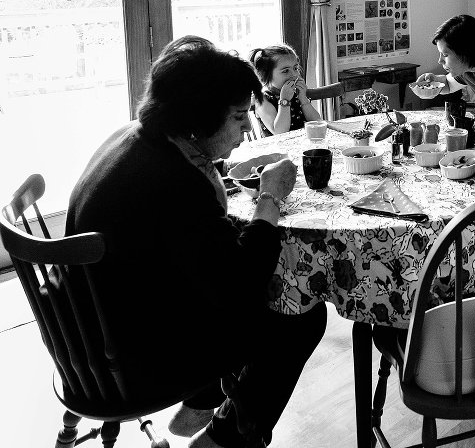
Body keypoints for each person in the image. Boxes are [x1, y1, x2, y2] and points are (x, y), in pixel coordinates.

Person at [65, 36, 327, 448]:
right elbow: (240, 281)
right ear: (199, 117)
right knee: (299, 312)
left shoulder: (135, 138)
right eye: (239, 115)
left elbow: (186, 242)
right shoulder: (178, 184)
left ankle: (202, 401)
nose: (246, 125)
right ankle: (221, 439)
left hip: (82, 328)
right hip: (130, 355)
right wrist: (270, 199)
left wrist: (221, 167)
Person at [249, 44, 322, 136]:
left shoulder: (295, 93)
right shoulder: (262, 100)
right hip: (280, 148)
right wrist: (284, 101)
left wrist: (303, 99)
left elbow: (317, 122)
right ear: (266, 74)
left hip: (303, 144)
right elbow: (279, 132)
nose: (294, 74)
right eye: (285, 71)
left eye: (295, 68)